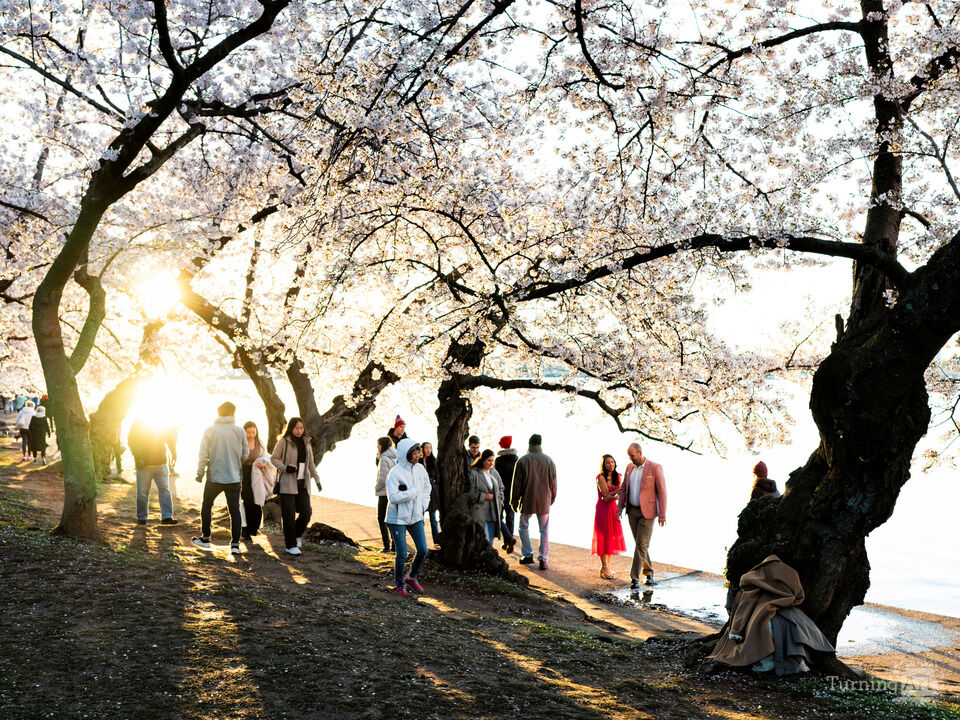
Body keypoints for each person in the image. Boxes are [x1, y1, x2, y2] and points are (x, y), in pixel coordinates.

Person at [193, 402, 248, 555]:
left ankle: (205, 538)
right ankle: (235, 544)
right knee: (234, 510)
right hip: (234, 477)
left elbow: (203, 454)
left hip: (214, 476)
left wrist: (200, 473)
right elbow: (245, 454)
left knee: (207, 505)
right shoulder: (239, 431)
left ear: (219, 413)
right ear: (232, 413)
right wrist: (236, 464)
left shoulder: (210, 430)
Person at [617, 442, 667, 588]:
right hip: (632, 511)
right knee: (641, 544)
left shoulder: (655, 467)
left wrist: (662, 514)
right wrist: (619, 509)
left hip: (648, 512)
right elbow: (624, 488)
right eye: (629, 456)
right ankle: (649, 572)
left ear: (639, 453)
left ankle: (634, 577)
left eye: (632, 455)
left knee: (641, 544)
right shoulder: (629, 467)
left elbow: (662, 492)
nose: (630, 458)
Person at [385, 438, 432, 596]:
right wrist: (411, 493)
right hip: (397, 519)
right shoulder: (395, 472)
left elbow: (427, 489)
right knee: (402, 553)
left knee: (423, 550)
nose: (418, 455)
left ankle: (411, 577)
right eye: (414, 453)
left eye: (419, 452)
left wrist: (423, 506)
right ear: (406, 454)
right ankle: (399, 584)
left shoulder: (420, 469)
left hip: (416, 516)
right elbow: (393, 497)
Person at [270, 417, 320, 556]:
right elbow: (273, 459)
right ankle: (290, 545)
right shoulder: (284, 442)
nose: (299, 431)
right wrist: (285, 468)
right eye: (297, 428)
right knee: (288, 516)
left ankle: (296, 535)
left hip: (303, 482)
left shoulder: (306, 442)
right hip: (288, 483)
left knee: (306, 513)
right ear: (291, 428)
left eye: (301, 428)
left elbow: (311, 463)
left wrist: (317, 479)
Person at [510, 433, 557, 570]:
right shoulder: (549, 460)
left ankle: (528, 554)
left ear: (529, 444)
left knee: (523, 526)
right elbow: (553, 483)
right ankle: (543, 559)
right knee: (544, 530)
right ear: (540, 444)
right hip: (544, 500)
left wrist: (513, 501)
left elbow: (517, 484)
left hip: (527, 499)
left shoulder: (523, 460)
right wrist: (552, 498)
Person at [127, 418, 177, 525]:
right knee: (143, 493)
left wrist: (173, 452)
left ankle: (167, 517)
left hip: (161, 464)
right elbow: (131, 441)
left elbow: (169, 439)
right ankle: (142, 518)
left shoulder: (162, 423)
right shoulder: (138, 423)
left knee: (165, 490)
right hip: (144, 465)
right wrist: (138, 456)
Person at [593, 454, 626, 579]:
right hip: (602, 509)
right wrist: (617, 493)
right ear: (604, 464)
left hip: (613, 509)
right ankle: (604, 567)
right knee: (603, 537)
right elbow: (605, 496)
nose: (611, 464)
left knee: (611, 537)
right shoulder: (600, 477)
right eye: (608, 462)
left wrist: (615, 496)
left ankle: (606, 567)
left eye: (612, 462)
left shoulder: (618, 476)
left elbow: (615, 496)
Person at [240, 421, 268, 540]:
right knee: (247, 500)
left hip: (256, 473)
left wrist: (263, 464)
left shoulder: (259, 443)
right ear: (244, 432)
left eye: (253, 432)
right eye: (249, 432)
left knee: (257, 501)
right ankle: (245, 530)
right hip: (244, 473)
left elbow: (265, 456)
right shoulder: (240, 442)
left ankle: (254, 529)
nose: (251, 435)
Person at [470, 449, 505, 544]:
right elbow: (469, 492)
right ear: (483, 460)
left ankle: (488, 558)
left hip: (493, 512)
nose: (491, 463)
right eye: (489, 460)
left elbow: (501, 488)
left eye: (492, 461)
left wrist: (500, 502)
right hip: (480, 512)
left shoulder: (494, 473)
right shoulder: (474, 473)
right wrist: (483, 496)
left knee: (491, 541)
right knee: (482, 541)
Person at [494, 435, 518, 553]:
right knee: (511, 517)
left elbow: (495, 478)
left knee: (498, 517)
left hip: (501, 493)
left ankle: (507, 539)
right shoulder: (516, 459)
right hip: (513, 493)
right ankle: (509, 540)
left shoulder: (498, 461)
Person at [375, 436, 398, 553]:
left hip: (384, 492)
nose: (377, 447)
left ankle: (386, 546)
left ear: (383, 446)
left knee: (381, 519)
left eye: (379, 444)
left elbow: (383, 478)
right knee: (390, 519)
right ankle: (394, 545)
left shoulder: (384, 459)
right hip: (392, 491)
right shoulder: (393, 457)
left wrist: (376, 487)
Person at [420, 441, 441, 545]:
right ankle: (421, 540)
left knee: (433, 518)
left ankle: (436, 541)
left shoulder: (434, 461)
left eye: (430, 448)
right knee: (420, 518)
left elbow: (437, 477)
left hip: (431, 493)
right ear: (422, 449)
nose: (428, 450)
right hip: (420, 493)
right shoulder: (418, 461)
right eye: (426, 448)